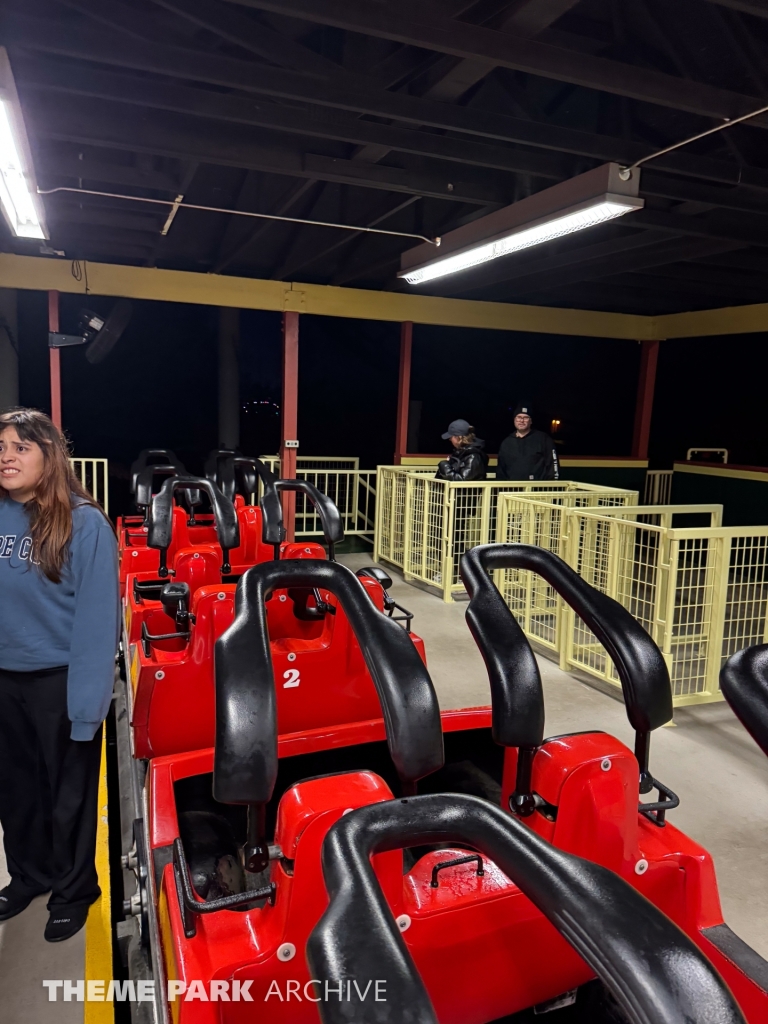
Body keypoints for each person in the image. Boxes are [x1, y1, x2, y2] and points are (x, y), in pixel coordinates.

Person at [0, 408, 119, 942]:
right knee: (16, 790)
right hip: (5, 680)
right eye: (2, 446)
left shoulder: (83, 522)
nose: (6, 455)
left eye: (21, 447)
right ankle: (29, 876)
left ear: (50, 456)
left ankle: (74, 889)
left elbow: (97, 624)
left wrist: (87, 709)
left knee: (68, 794)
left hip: (60, 680)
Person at [497, 404, 559, 481]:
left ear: (531, 421)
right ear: (514, 420)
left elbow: (553, 466)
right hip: (513, 490)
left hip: (538, 489)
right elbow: (501, 470)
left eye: (525, 417)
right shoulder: (506, 443)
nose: (522, 420)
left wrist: (552, 485)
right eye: (519, 417)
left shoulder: (543, 439)